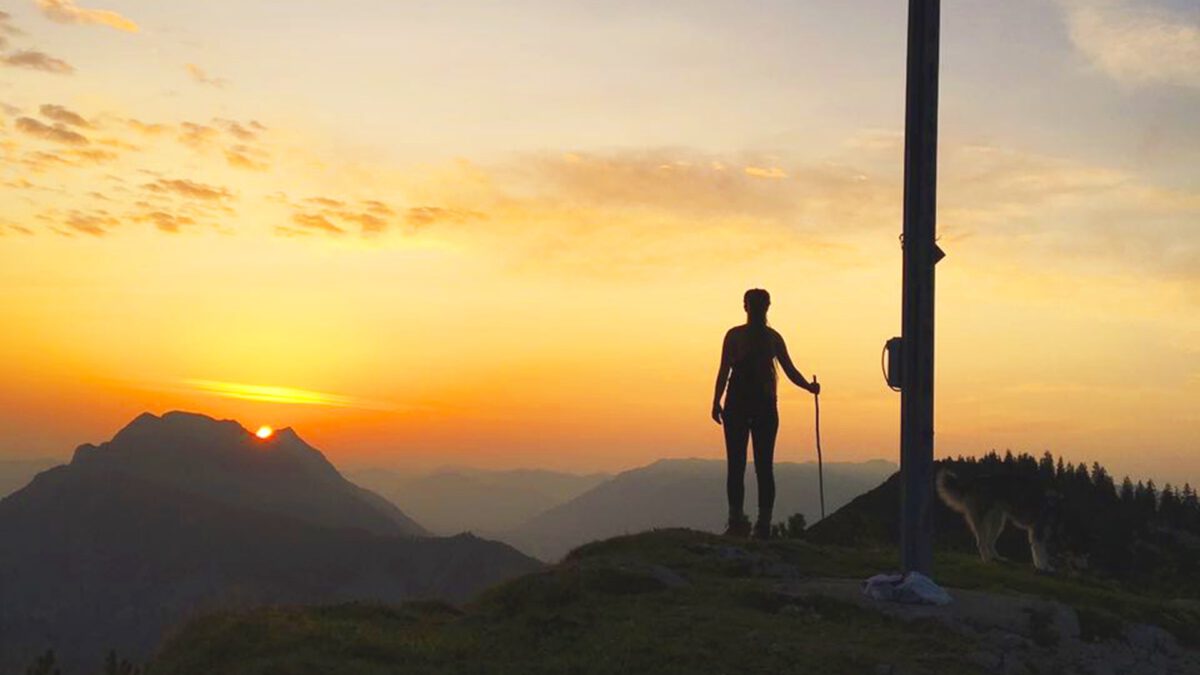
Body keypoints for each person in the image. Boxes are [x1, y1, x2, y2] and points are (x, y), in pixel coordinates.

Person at [711, 288, 819, 539]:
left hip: (741, 405)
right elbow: (790, 370)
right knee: (761, 466)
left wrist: (716, 401)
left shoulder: (737, 336)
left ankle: (742, 523)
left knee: (739, 466)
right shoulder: (770, 338)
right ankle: (759, 524)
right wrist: (808, 387)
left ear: (745, 306)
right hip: (758, 406)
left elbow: (724, 370)